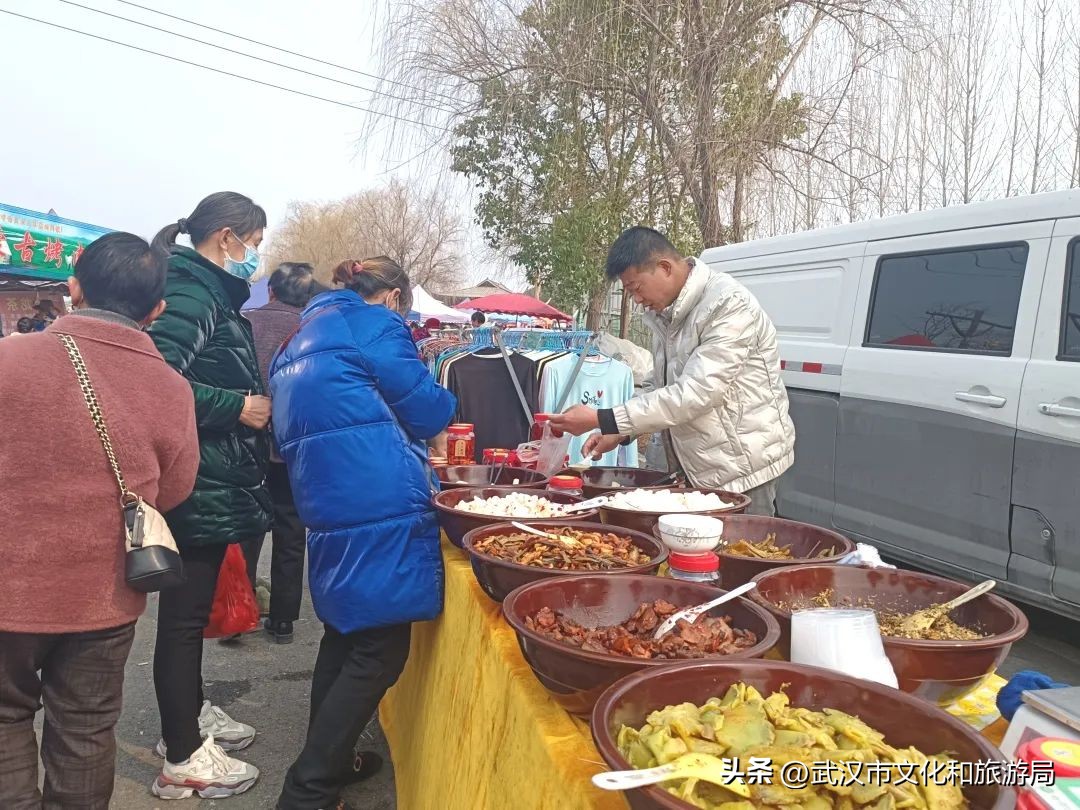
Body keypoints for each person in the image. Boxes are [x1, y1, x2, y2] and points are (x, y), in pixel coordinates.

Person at [0, 232, 200, 808]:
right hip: (105, 592)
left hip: (8, 588)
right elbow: (176, 489)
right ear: (157, 309)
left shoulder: (11, 358)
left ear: (73, 288)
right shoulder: (172, 387)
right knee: (85, 730)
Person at [270, 257, 456, 810]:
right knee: (378, 649)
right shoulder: (374, 325)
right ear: (394, 297)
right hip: (378, 498)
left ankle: (335, 762)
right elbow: (428, 410)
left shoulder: (296, 341)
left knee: (346, 633)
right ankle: (308, 791)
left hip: (326, 499)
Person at [146, 192, 272, 799]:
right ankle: (182, 756)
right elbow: (157, 379)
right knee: (182, 619)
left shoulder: (204, 288)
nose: (256, 256)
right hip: (195, 477)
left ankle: (191, 716)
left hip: (211, 471)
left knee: (187, 616)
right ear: (228, 237)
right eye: (255, 243)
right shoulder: (193, 289)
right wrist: (237, 407)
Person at [550, 227, 795, 516]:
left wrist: (602, 419)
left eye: (636, 288)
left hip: (742, 468)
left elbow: (694, 395)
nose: (637, 300)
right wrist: (619, 433)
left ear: (665, 267)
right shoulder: (665, 315)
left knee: (739, 553)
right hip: (697, 466)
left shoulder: (727, 305)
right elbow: (660, 388)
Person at [245, 262, 326, 644]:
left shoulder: (245, 323)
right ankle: (282, 620)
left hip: (247, 437)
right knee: (291, 528)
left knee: (246, 526)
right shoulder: (314, 331)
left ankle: (239, 610)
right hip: (296, 444)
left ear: (271, 291)